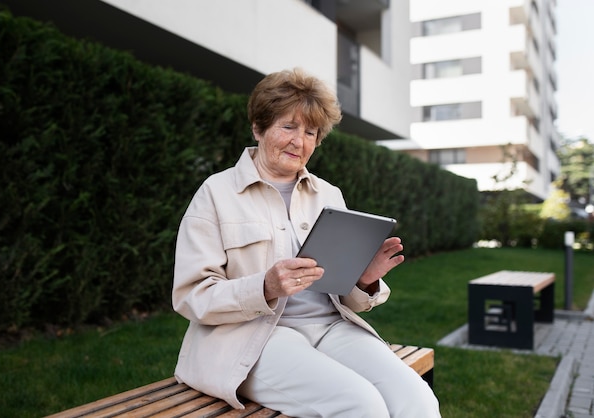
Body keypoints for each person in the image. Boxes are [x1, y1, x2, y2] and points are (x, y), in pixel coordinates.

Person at [172, 68, 441, 417]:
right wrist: (264, 286)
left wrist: (363, 279)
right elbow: (191, 297)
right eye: (288, 127)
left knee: (417, 398)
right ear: (259, 127)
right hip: (254, 338)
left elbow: (347, 297)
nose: (299, 142)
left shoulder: (328, 194)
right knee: (360, 404)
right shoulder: (216, 193)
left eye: (311, 132)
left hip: (333, 327)